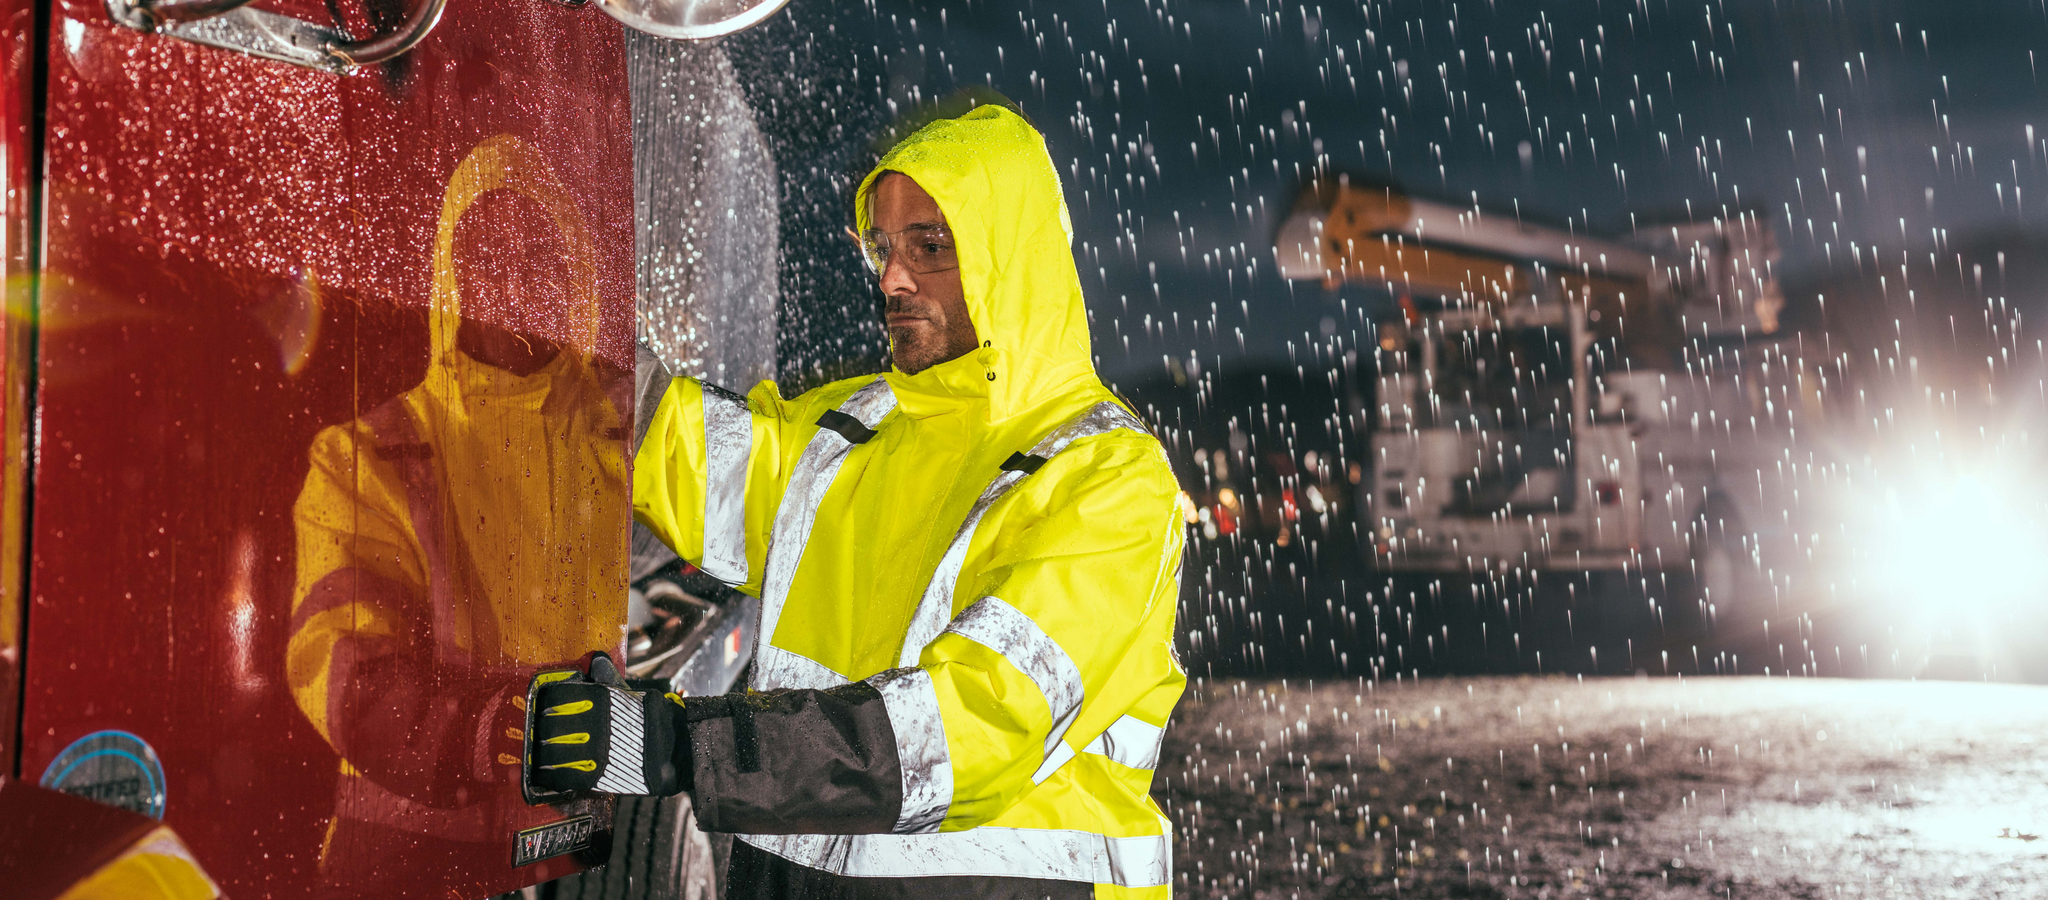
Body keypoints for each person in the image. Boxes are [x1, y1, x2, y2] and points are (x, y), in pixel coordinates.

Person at [527, 105, 1187, 898]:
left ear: (1010, 257)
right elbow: (673, 451)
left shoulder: (1106, 476)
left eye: (931, 247)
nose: (892, 278)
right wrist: (525, 323)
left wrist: (675, 743)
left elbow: (972, 726)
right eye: (884, 247)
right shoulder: (859, 433)